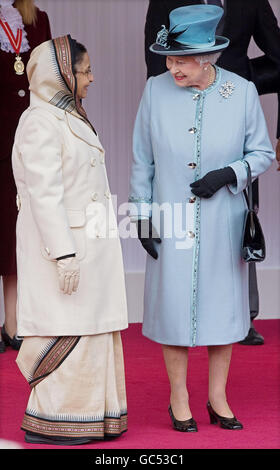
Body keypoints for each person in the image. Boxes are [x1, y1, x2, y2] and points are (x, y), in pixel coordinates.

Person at [129, 5, 275, 431]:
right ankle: (179, 398)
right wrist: (141, 216)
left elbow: (262, 153)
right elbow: (142, 158)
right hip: (170, 216)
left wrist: (229, 174)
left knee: (222, 310)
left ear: (208, 57)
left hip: (222, 220)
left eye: (181, 60)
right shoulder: (155, 90)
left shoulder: (242, 92)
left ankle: (218, 397)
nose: (171, 67)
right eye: (169, 59)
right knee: (173, 310)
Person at [12, 35, 128, 445]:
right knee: (67, 329)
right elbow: (44, 195)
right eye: (85, 71)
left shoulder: (70, 115)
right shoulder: (40, 121)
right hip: (62, 250)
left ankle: (94, 418)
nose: (93, 78)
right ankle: (55, 419)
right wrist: (64, 254)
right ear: (62, 75)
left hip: (88, 245)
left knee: (90, 329)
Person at [144, 0, 280, 346]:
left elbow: (278, 51)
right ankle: (179, 320)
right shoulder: (166, 4)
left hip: (231, 123)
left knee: (233, 229)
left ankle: (238, 317)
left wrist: (246, 77)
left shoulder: (249, 4)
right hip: (176, 117)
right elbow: (155, 62)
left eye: (177, 59)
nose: (171, 65)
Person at [0, 0, 51, 353]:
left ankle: (13, 324)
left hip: (25, 144)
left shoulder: (38, 18)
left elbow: (46, 81)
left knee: (12, 238)